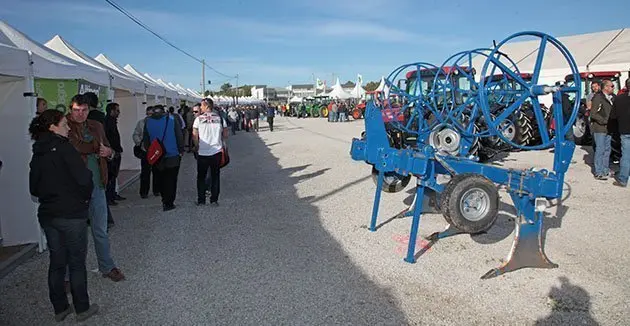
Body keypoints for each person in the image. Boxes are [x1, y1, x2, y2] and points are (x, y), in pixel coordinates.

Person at [28, 109, 99, 322]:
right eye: (64, 124)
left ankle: (60, 308)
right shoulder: (65, 148)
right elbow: (84, 179)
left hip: (49, 215)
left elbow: (34, 188)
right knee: (76, 263)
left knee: (57, 261)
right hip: (71, 214)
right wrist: (83, 199)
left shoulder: (38, 151)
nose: (68, 127)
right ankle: (82, 308)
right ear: (53, 126)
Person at [66, 94, 125, 282]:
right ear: (70, 109)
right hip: (73, 189)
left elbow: (108, 149)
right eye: (77, 110)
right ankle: (69, 276)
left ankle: (107, 266)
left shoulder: (97, 126)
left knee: (100, 229)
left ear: (89, 110)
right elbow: (75, 147)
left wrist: (109, 152)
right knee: (75, 234)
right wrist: (95, 147)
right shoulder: (64, 126)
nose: (80, 114)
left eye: (84, 110)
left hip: (98, 185)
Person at [143, 105, 184, 211]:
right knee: (171, 179)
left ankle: (163, 198)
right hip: (172, 154)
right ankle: (169, 202)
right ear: (163, 111)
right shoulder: (171, 119)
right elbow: (179, 135)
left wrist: (150, 152)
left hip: (157, 155)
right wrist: (181, 150)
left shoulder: (147, 121)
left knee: (160, 177)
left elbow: (146, 139)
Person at [193, 98, 227, 206]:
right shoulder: (220, 118)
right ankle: (214, 200)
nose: (200, 108)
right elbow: (225, 135)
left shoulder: (198, 119)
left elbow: (194, 135)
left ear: (207, 106)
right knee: (215, 176)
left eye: (202, 106)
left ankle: (201, 200)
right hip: (216, 151)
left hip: (203, 152)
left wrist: (197, 146)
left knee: (201, 177)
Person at [590, 79, 615, 180]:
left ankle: (605, 169)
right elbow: (593, 113)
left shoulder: (611, 98)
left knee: (607, 149)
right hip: (600, 128)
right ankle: (598, 171)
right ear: (606, 87)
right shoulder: (598, 97)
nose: (613, 88)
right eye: (612, 86)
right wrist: (604, 120)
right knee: (600, 149)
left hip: (609, 128)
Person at [610, 78, 630, 187]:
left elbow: (613, 116)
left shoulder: (619, 99)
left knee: (626, 156)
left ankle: (623, 179)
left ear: (626, 86)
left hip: (625, 130)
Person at [104, 103, 125, 205]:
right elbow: (110, 138)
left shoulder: (111, 122)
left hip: (114, 151)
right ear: (111, 111)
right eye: (117, 110)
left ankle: (113, 195)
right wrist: (114, 150)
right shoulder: (108, 122)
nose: (119, 112)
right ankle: (109, 197)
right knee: (111, 175)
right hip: (112, 153)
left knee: (113, 175)